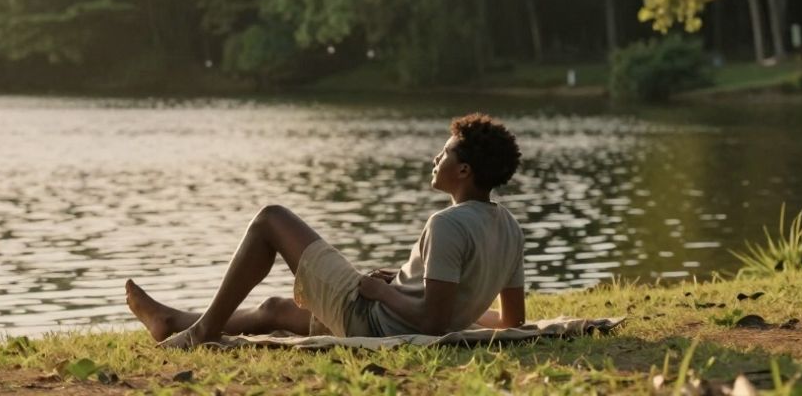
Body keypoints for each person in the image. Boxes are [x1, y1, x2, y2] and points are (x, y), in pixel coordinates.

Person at [125, 113, 526, 347]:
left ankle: (201, 333)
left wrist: (383, 291)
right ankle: (169, 321)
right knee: (276, 310)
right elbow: (513, 322)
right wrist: (424, 293)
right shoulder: (509, 227)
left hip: (372, 320)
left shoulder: (447, 224)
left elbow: (435, 323)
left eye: (445, 153)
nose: (435, 157)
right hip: (389, 313)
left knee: (271, 218)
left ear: (463, 171)